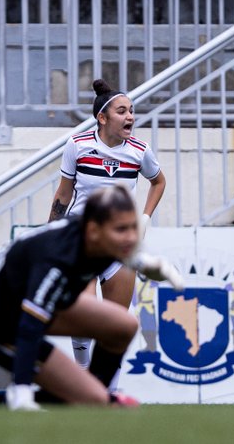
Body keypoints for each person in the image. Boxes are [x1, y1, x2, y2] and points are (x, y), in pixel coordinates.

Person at [0, 185, 183, 410]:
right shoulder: (59, 257)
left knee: (123, 325)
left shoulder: (96, 238)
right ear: (94, 231)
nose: (130, 237)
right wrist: (22, 391)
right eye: (121, 229)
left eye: (132, 228)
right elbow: (30, 327)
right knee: (93, 399)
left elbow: (126, 254)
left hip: (23, 305)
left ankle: (97, 395)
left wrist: (150, 265)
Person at [48, 79, 166, 390]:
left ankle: (107, 392)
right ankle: (85, 381)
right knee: (84, 318)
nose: (130, 117)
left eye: (132, 111)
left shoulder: (140, 151)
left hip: (119, 247)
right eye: (122, 111)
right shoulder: (78, 145)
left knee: (116, 323)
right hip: (82, 241)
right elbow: (63, 194)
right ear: (102, 118)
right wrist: (51, 235)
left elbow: (159, 182)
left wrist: (144, 219)